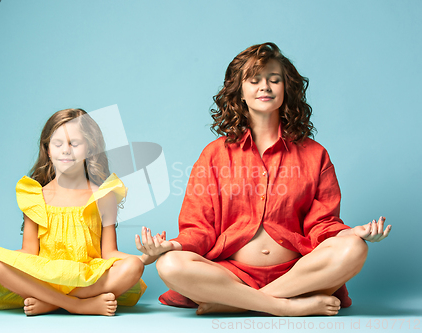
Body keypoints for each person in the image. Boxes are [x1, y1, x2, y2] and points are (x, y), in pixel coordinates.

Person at [135, 43, 391, 316]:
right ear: (240, 92)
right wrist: (171, 246)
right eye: (254, 80)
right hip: (230, 275)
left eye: (274, 80)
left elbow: (322, 224)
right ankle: (284, 307)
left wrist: (350, 233)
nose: (264, 87)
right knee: (170, 264)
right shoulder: (214, 155)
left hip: (297, 275)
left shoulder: (316, 155)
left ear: (286, 89)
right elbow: (199, 228)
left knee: (354, 248)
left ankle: (237, 303)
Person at [0, 108, 161, 316]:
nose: (65, 150)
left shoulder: (104, 195)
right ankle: (75, 305)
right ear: (48, 149)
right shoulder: (34, 195)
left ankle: (50, 302)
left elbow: (109, 254)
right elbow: (29, 252)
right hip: (44, 275)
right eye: (58, 144)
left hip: (86, 276)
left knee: (133, 267)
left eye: (74, 143)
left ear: (90, 148)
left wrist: (144, 258)